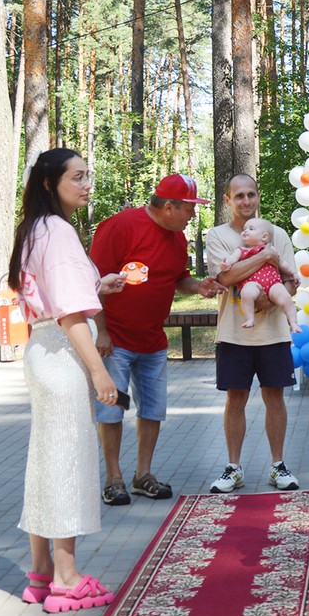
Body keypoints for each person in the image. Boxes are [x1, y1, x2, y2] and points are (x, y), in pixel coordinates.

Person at [9, 148, 125, 612]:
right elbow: (69, 312)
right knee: (67, 465)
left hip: (44, 351)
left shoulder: (36, 228)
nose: (85, 183)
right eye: (76, 177)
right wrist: (100, 373)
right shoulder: (57, 231)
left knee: (46, 463)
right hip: (61, 355)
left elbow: (57, 294)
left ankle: (40, 574)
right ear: (48, 183)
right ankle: (66, 577)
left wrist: (99, 284)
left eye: (86, 175)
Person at [89, 173, 224, 505]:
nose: (193, 215)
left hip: (152, 341)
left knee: (152, 410)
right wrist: (102, 331)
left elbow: (178, 279)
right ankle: (113, 478)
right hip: (115, 340)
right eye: (189, 209)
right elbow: (90, 282)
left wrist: (199, 286)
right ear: (168, 207)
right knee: (113, 410)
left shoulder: (177, 237)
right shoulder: (120, 227)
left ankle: (142, 475)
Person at [204, 174, 301, 494]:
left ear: (258, 196)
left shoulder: (278, 233)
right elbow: (227, 275)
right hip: (234, 333)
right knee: (236, 398)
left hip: (274, 334)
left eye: (251, 195)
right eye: (239, 195)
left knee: (275, 397)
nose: (246, 201)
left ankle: (278, 465)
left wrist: (268, 296)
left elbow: (290, 281)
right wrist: (264, 256)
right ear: (227, 200)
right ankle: (234, 467)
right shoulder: (217, 236)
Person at [235, 217, 300, 331]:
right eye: (244, 229)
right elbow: (231, 260)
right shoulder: (242, 250)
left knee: (285, 297)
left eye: (251, 229)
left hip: (273, 282)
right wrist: (226, 263)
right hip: (252, 282)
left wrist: (293, 273)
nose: (245, 231)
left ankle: (293, 322)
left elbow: (282, 264)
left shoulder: (271, 249)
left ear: (264, 237)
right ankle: (250, 318)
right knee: (246, 293)